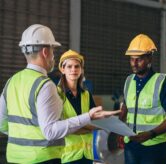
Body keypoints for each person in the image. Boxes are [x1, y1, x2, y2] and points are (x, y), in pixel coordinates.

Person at [0, 24, 118, 164]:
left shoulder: (11, 82)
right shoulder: (45, 85)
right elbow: (50, 132)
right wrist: (88, 116)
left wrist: (22, 140)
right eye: (53, 50)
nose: (53, 56)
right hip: (43, 158)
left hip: (15, 157)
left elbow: (2, 124)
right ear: (45, 52)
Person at [119, 34, 166, 164]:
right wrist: (118, 127)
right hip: (131, 144)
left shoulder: (163, 83)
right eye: (131, 59)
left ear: (149, 58)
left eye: (138, 59)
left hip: (155, 146)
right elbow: (125, 108)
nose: (134, 63)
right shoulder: (129, 80)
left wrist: (151, 134)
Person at [57, 49, 96, 163]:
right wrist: (86, 128)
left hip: (87, 154)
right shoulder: (56, 94)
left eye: (77, 66)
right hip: (67, 157)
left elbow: (95, 122)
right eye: (69, 66)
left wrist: (75, 127)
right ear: (62, 69)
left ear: (81, 70)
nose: (73, 70)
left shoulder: (86, 95)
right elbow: (58, 127)